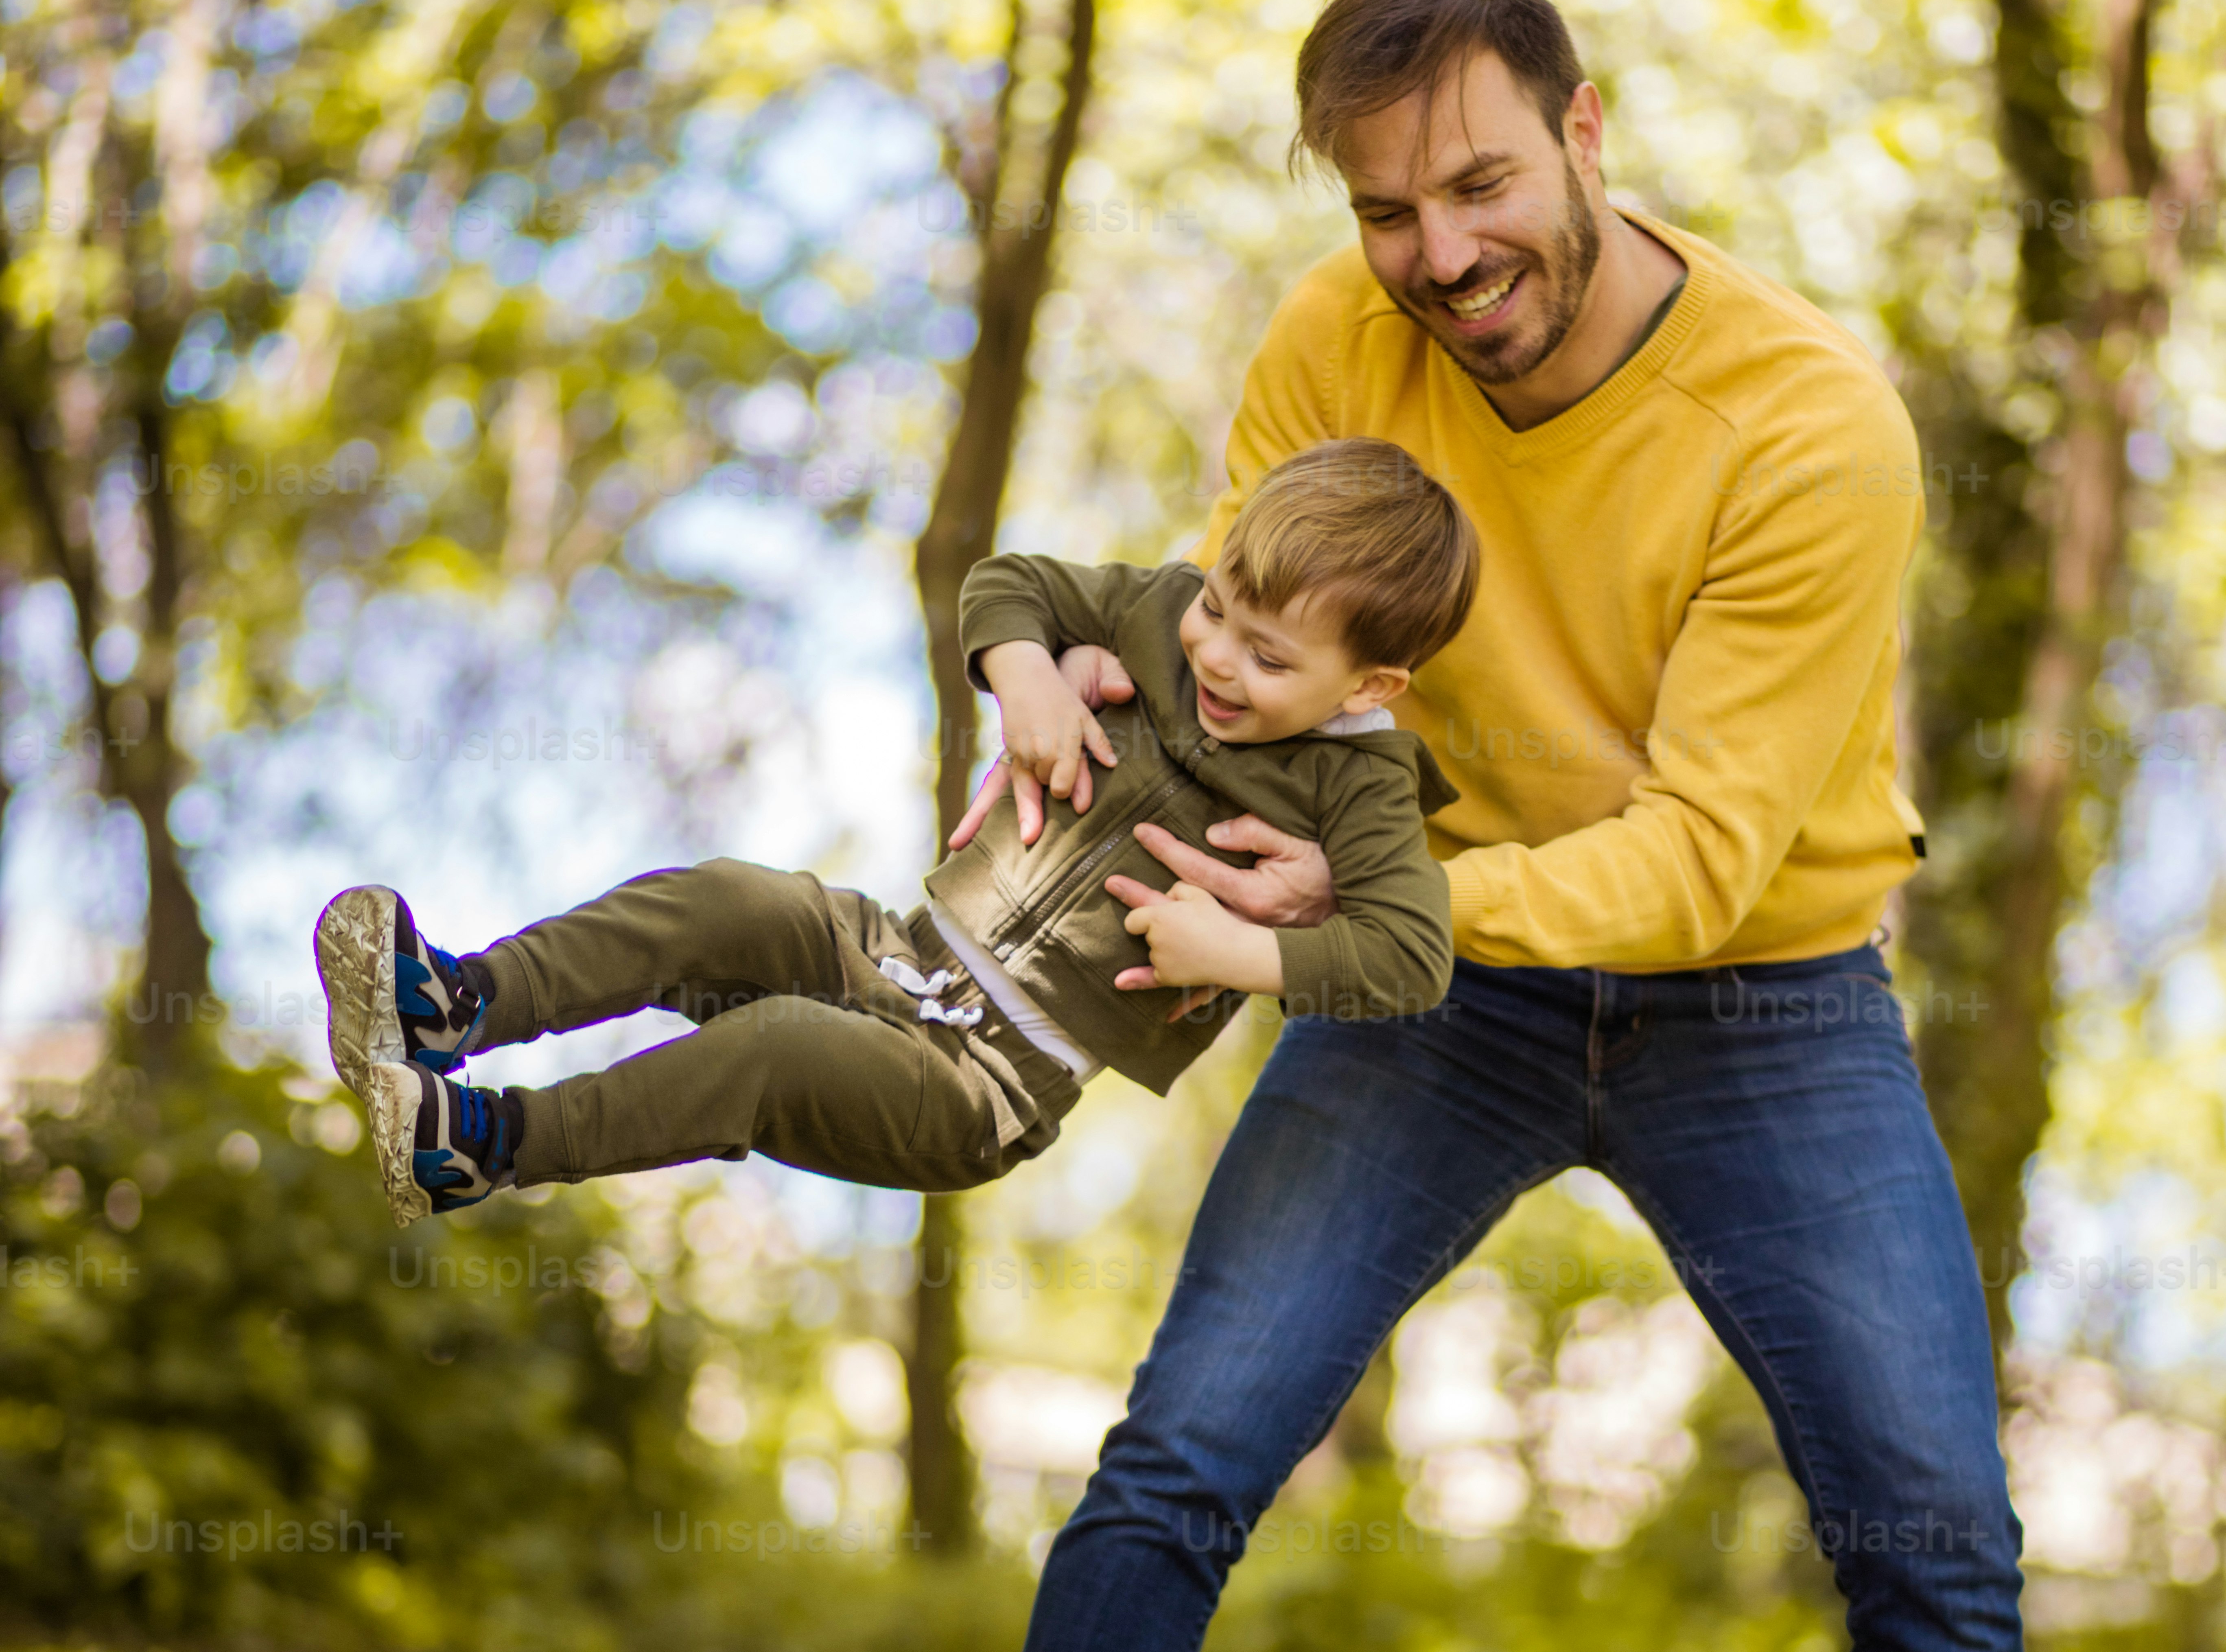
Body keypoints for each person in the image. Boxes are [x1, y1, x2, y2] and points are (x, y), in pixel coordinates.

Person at [912, 0, 2029, 1652]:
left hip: (1761, 1003)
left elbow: (1710, 856)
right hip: (1421, 974)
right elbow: (1251, 679)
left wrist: (1375, 902)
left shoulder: (1805, 423)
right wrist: (1064, 710)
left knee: (1935, 1546)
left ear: (1589, 131)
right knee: (1181, 1455)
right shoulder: (1341, 346)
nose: (1440, 255)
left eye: (1484, 182)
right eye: (1387, 204)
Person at [311, 439, 1477, 1237]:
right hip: (900, 949)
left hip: (984, 1079)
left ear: (1368, 680)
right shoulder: (1162, 610)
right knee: (730, 902)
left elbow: (1408, 955)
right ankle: (454, 1004)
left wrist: (1236, 957)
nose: (1217, 654)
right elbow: (1013, 581)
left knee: (771, 1051)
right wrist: (1025, 675)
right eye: (1219, 606)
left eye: (1270, 657)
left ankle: (480, 1146)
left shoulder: (1359, 788)